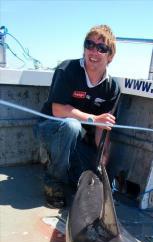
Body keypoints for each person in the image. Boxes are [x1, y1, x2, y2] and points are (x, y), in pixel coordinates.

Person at [35, 24, 120, 208]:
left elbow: (101, 128)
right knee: (71, 125)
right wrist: (94, 118)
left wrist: (103, 156)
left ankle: (63, 167)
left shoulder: (112, 88)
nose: (93, 51)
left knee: (84, 178)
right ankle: (52, 181)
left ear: (110, 56)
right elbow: (58, 110)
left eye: (101, 48)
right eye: (89, 44)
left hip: (77, 139)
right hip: (49, 129)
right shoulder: (68, 69)